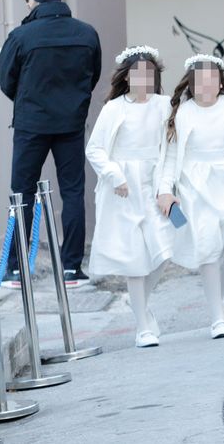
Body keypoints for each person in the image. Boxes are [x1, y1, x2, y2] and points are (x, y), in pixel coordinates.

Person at [0, 0, 102, 287]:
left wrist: (28, 98)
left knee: (22, 192)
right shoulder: (86, 34)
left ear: (33, 0)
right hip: (71, 123)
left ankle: (16, 268)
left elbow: (5, 77)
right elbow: (91, 76)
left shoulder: (21, 36)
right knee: (72, 192)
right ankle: (71, 267)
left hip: (31, 124)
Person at [157, 55, 224, 340]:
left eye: (212, 79)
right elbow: (171, 156)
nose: (206, 85)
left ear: (221, 82)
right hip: (196, 187)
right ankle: (216, 316)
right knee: (208, 249)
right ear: (191, 83)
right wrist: (165, 189)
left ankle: (218, 296)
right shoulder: (184, 112)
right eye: (199, 80)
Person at [85, 46, 174, 348]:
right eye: (137, 73)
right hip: (123, 190)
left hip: (155, 184)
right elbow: (95, 149)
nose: (144, 78)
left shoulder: (164, 106)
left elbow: (170, 148)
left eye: (149, 73)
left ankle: (141, 305)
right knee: (135, 257)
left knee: (166, 247)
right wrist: (115, 175)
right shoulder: (114, 109)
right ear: (126, 77)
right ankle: (142, 326)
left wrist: (166, 186)